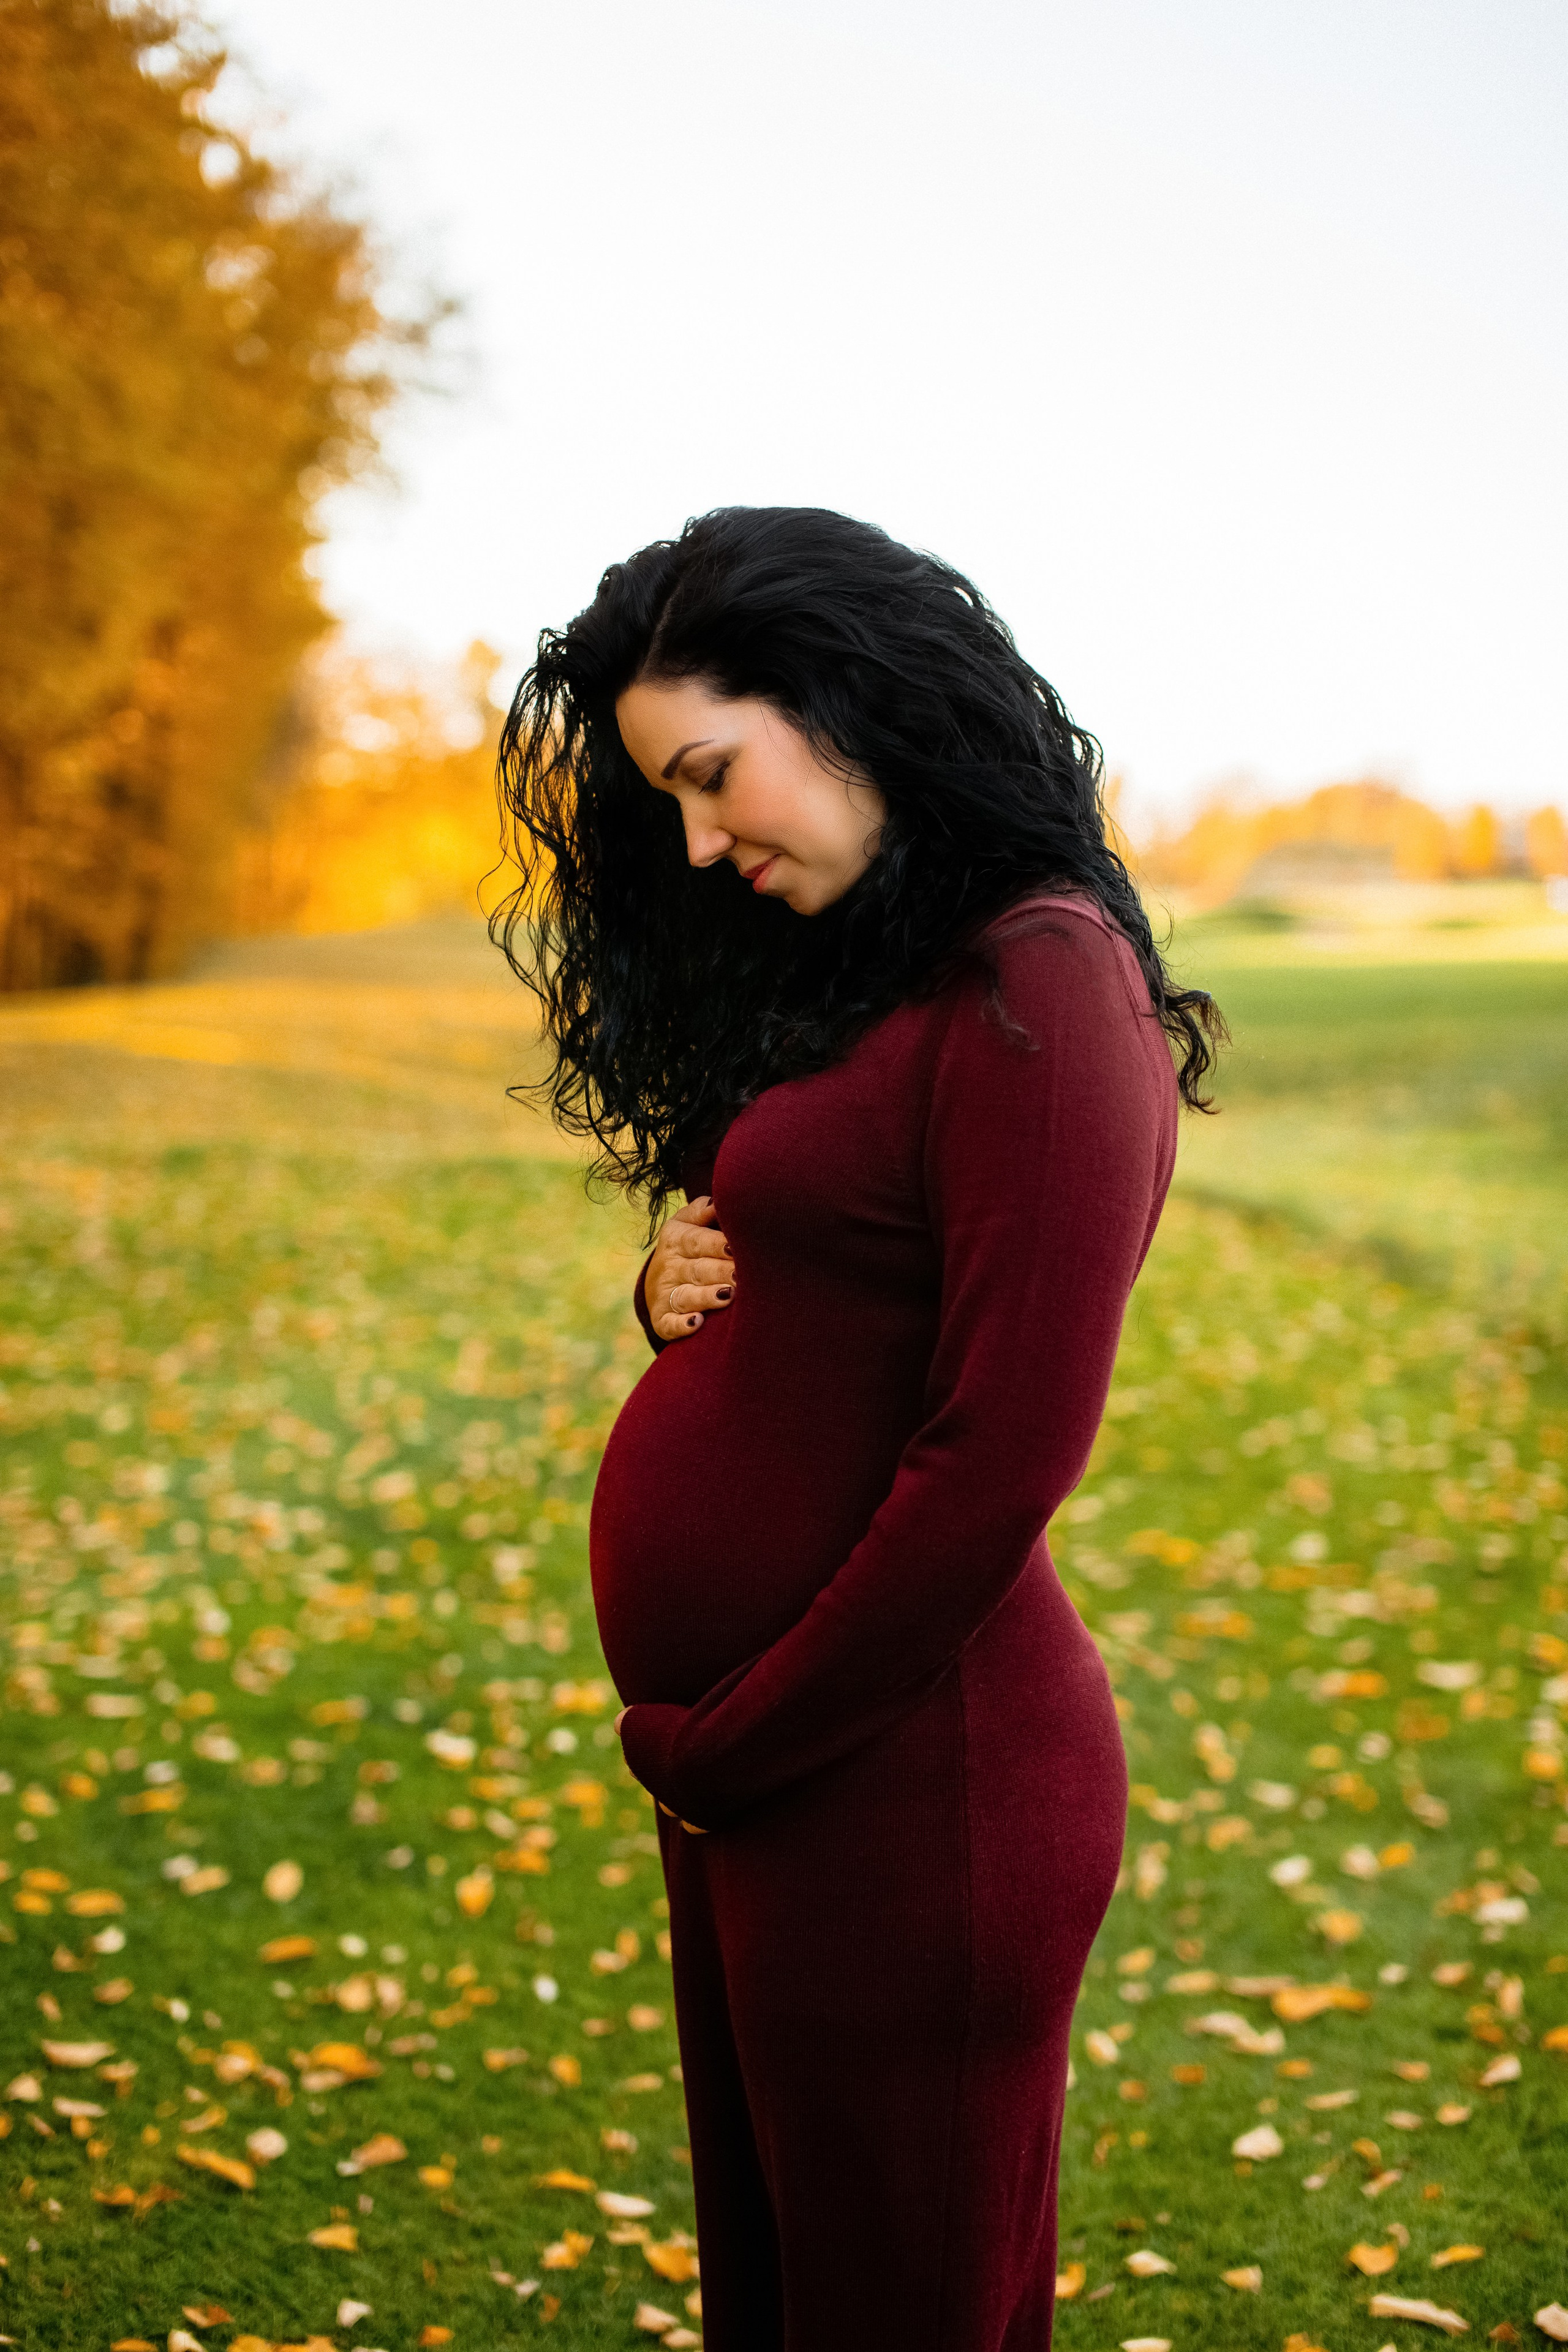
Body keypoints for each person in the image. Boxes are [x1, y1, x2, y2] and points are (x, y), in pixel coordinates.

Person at [494, 507, 1221, 2352]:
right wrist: (672, 1289)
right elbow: (830, 1292)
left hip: (911, 1785)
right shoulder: (885, 972)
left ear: (848, 700)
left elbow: (1002, 1455)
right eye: (669, 798)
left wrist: (744, 1740)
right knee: (794, 2297)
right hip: (777, 1774)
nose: (699, 837)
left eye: (715, 774)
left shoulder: (1042, 977)